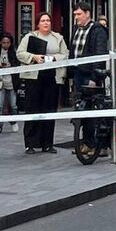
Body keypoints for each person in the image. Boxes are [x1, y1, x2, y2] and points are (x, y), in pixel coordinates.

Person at [17, 12, 68, 154]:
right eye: (43, 21)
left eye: (48, 20)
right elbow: (20, 53)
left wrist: (53, 58)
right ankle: (30, 144)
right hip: (34, 78)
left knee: (49, 110)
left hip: (52, 77)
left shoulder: (58, 38)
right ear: (38, 23)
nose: (46, 23)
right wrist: (34, 57)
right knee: (32, 109)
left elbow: (65, 54)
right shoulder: (30, 37)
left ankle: (48, 143)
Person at [68, 2, 108, 101]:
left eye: (79, 14)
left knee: (90, 104)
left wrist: (94, 78)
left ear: (87, 14)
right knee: (79, 103)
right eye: (75, 14)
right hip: (77, 73)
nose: (76, 17)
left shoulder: (98, 30)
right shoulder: (76, 29)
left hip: (90, 74)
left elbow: (100, 55)